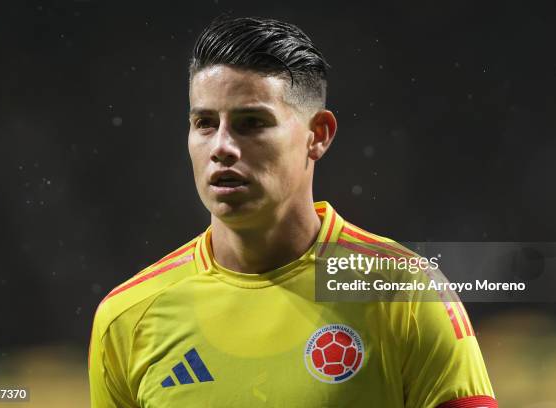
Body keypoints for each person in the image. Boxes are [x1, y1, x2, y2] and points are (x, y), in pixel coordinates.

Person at [88, 16, 497, 407]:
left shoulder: (404, 292)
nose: (222, 147)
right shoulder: (127, 317)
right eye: (205, 123)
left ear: (317, 136)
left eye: (251, 122)